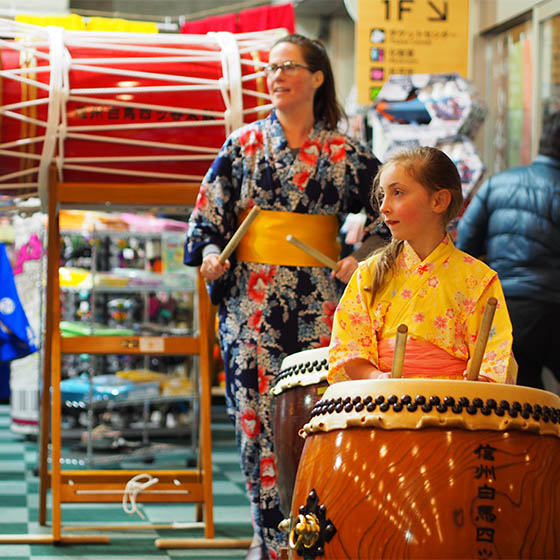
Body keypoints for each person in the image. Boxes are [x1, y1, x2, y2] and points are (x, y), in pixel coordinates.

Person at [184, 33, 385, 560]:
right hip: (250, 307)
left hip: (321, 303)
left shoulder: (345, 153)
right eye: (270, 69)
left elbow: (394, 211)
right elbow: (207, 220)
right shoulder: (243, 145)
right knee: (255, 425)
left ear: (317, 78)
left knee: (317, 419)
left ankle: (313, 539)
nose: (275, 76)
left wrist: (363, 253)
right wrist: (210, 254)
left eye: (288, 67)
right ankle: (267, 538)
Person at [329, 146, 517, 384]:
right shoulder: (368, 274)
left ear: (439, 200)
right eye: (382, 196)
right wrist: (376, 377)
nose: (384, 207)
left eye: (397, 192)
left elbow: (494, 356)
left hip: (454, 410)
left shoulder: (479, 279)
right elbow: (348, 349)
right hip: (383, 405)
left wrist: (478, 383)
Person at [457, 111, 560, 390]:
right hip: (554, 305)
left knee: (523, 394)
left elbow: (464, 249)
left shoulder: (496, 185)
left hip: (507, 308)